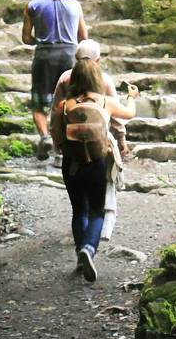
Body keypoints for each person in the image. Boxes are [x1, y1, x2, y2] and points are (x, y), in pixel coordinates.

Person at [51, 59, 138, 282]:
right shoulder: (105, 102)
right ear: (97, 78)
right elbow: (129, 113)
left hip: (71, 163)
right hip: (98, 162)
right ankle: (89, 249)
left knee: (78, 210)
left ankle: (81, 251)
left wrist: (63, 148)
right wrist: (131, 96)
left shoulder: (64, 106)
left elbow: (56, 134)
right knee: (97, 210)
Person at [22, 0, 88, 160]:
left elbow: (26, 38)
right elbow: (83, 35)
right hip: (69, 55)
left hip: (44, 56)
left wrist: (41, 40)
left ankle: (44, 137)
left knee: (39, 103)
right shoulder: (75, 4)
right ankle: (66, 143)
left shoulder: (33, 5)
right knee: (70, 100)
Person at [51, 39, 129, 159]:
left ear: (76, 59)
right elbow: (116, 117)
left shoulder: (65, 78)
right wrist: (121, 139)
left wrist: (57, 142)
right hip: (98, 144)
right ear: (98, 60)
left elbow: (56, 112)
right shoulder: (105, 80)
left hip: (72, 143)